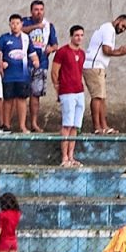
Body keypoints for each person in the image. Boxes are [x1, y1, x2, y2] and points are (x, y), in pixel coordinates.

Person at [84, 15, 126, 135]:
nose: (122, 29)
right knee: (97, 97)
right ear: (118, 20)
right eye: (123, 26)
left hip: (99, 66)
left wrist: (120, 52)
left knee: (102, 98)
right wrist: (121, 52)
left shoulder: (107, 29)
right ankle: (97, 127)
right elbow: (107, 50)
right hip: (94, 66)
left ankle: (104, 126)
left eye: (125, 29)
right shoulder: (108, 29)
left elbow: (107, 51)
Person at [50, 25, 88, 167]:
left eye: (81, 35)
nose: (79, 38)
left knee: (75, 126)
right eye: (76, 35)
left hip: (79, 91)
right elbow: (54, 71)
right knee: (67, 125)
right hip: (67, 92)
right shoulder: (62, 52)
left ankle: (71, 156)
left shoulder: (82, 53)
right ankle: (64, 157)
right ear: (71, 36)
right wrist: (57, 88)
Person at [0, 14, 40, 133]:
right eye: (12, 23)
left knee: (22, 100)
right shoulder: (4, 38)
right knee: (8, 100)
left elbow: (32, 53)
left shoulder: (26, 38)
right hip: (8, 76)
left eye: (17, 23)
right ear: (9, 24)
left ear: (21, 24)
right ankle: (6, 125)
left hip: (22, 75)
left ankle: (22, 126)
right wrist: (1, 63)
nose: (15, 26)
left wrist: (36, 61)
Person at [21, 0, 59, 133]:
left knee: (35, 95)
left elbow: (55, 44)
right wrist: (36, 26)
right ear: (31, 11)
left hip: (41, 63)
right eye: (36, 9)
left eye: (41, 9)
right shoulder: (25, 21)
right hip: (24, 64)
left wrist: (51, 48)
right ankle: (21, 124)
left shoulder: (49, 26)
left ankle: (34, 123)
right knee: (20, 95)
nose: (39, 12)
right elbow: (19, 30)